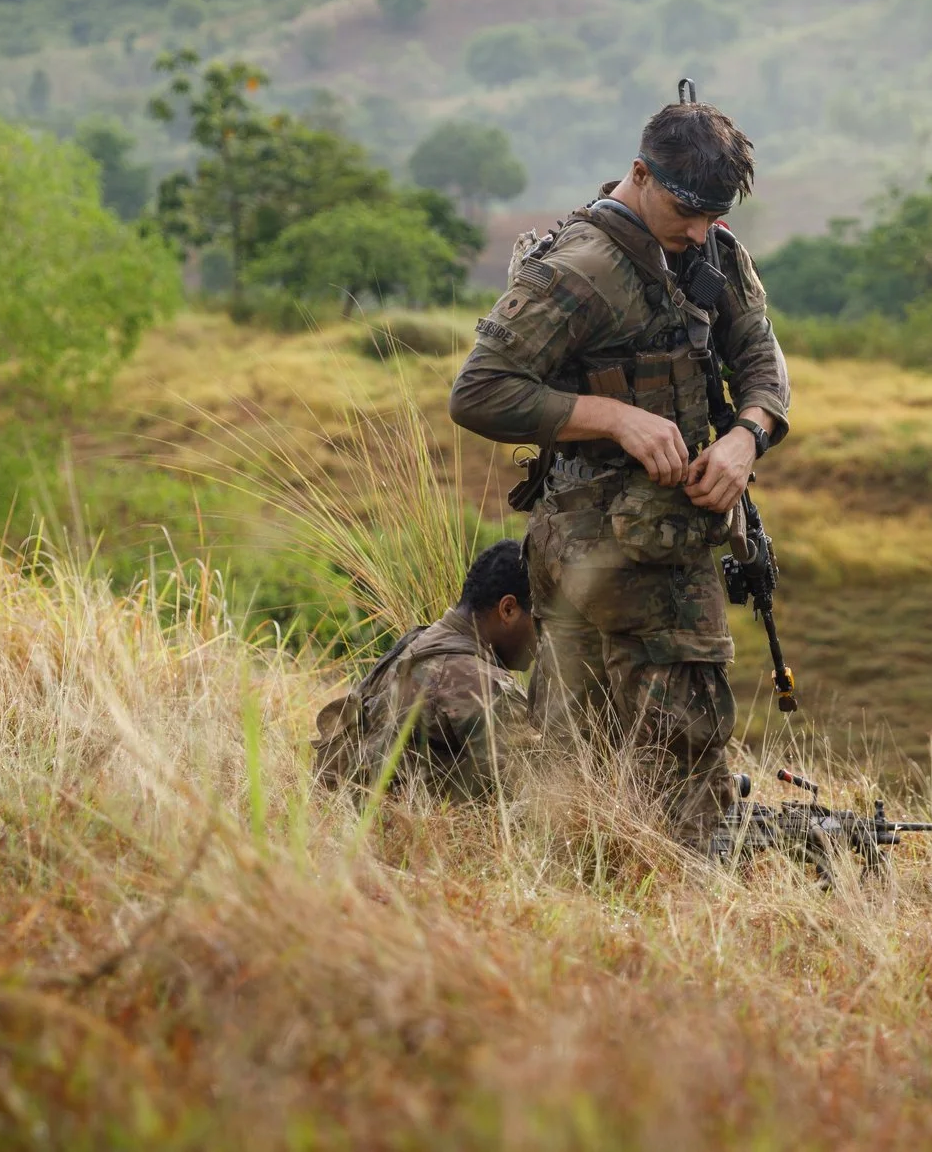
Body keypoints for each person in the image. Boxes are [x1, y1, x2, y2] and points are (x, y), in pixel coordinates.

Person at [447, 93, 791, 849]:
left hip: (669, 545)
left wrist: (744, 437)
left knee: (679, 760)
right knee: (581, 769)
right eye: (687, 208)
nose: (699, 229)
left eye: (715, 212)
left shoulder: (714, 253)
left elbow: (763, 361)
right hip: (581, 549)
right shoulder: (579, 269)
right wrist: (614, 418)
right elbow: (479, 391)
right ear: (639, 172)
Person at [313, 539, 536, 799]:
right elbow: (547, 796)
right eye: (543, 619)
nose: (548, 635)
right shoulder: (479, 684)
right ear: (508, 609)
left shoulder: (416, 642)